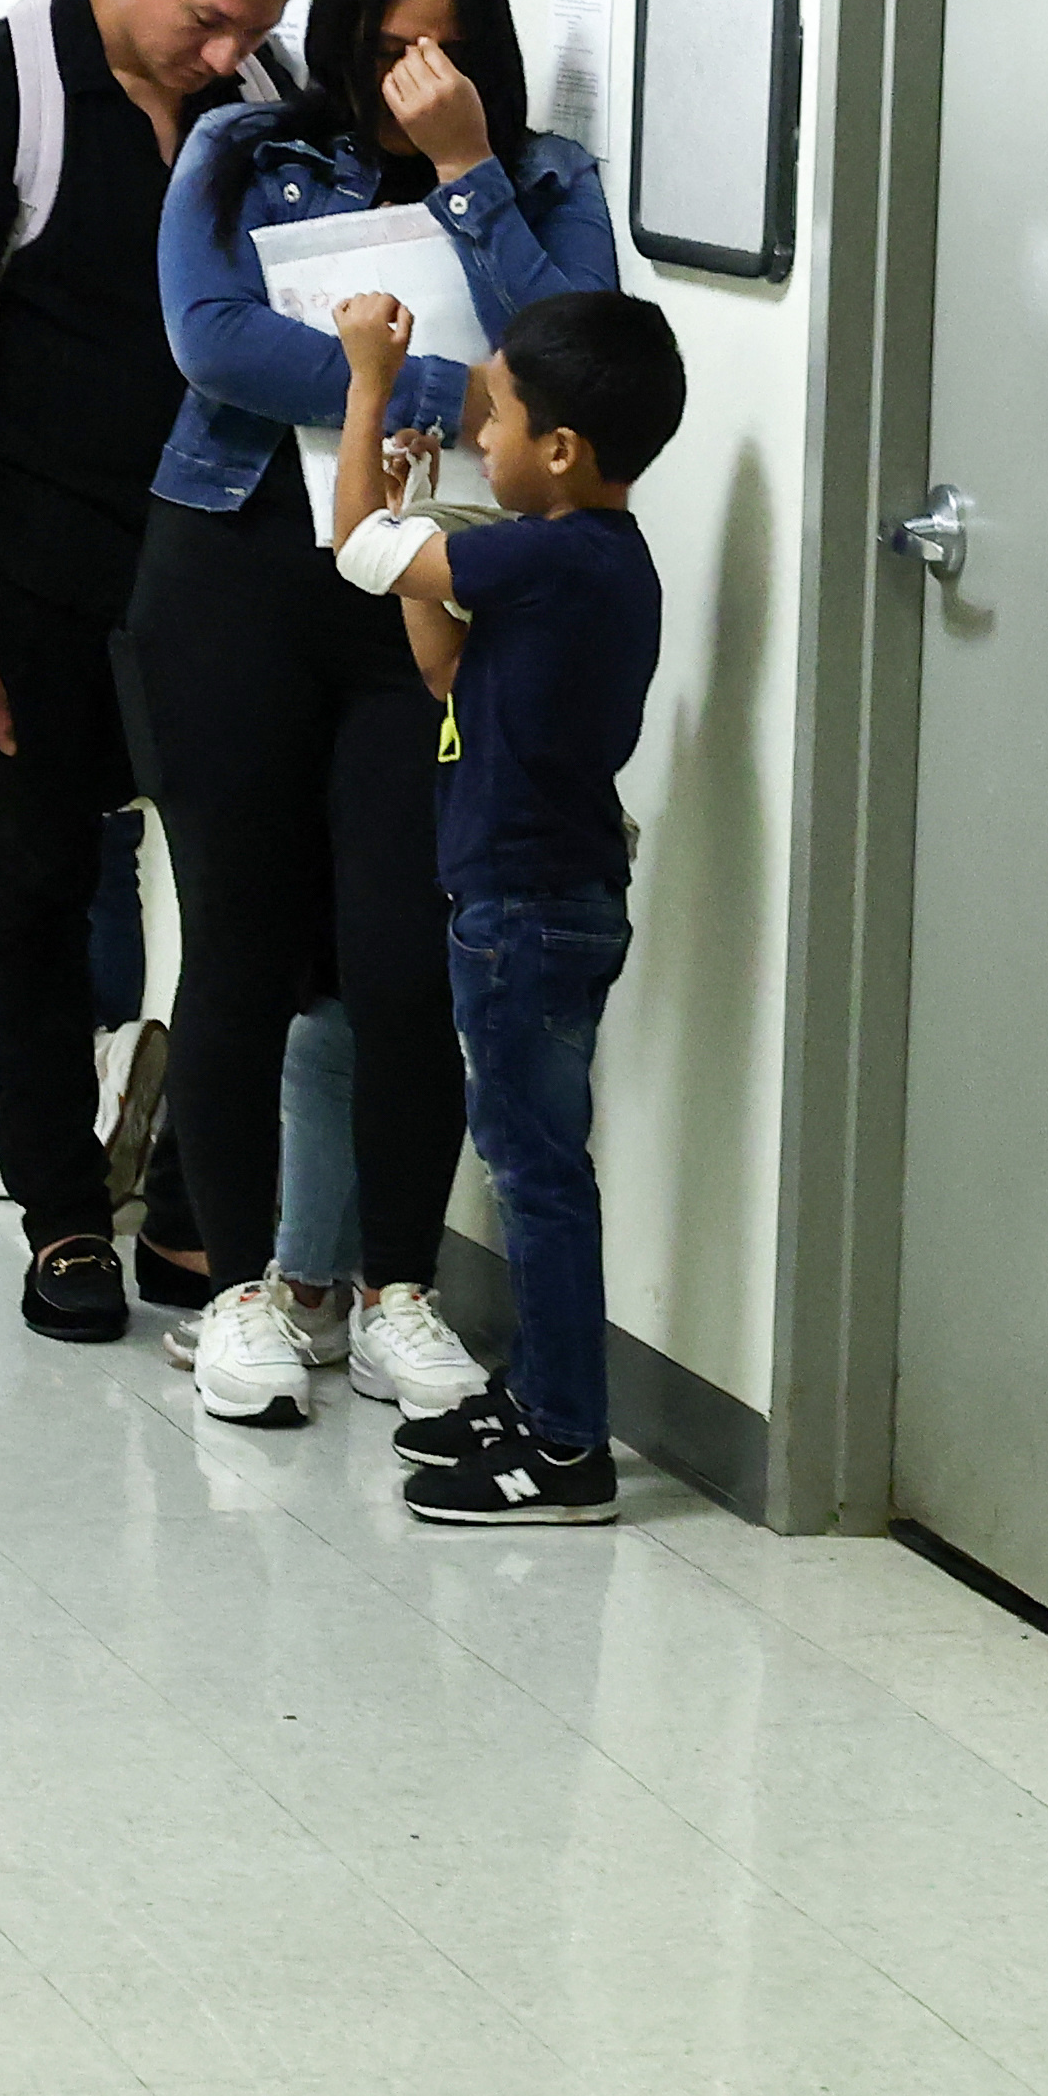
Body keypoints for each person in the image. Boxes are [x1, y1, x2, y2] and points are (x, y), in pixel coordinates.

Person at [140, 0, 612, 1430]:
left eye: (445, 53)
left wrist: (471, 174)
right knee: (240, 946)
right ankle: (242, 1296)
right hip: (237, 573)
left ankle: (398, 1285)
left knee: (411, 961)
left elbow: (575, 363)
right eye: (389, 47)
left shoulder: (541, 178)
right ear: (340, 35)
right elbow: (211, 338)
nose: (412, 76)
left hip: (425, 594)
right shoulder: (240, 146)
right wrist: (422, 381)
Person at [0, 0, 317, 1337]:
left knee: (245, 899)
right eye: (205, 18)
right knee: (34, 885)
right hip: (37, 570)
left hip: (220, 574)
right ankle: (60, 1211)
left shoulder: (263, 103)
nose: (225, 52)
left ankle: (195, 1209)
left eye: (251, 28)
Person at [329, 286, 684, 1520]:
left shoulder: (560, 557)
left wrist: (368, 383)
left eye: (498, 418)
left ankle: (569, 1444)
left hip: (529, 909)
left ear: (562, 451)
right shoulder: (575, 567)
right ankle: (539, 1396)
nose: (482, 436)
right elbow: (441, 665)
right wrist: (420, 508)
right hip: (523, 899)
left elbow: (357, 554)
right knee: (532, 1162)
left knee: (537, 1175)